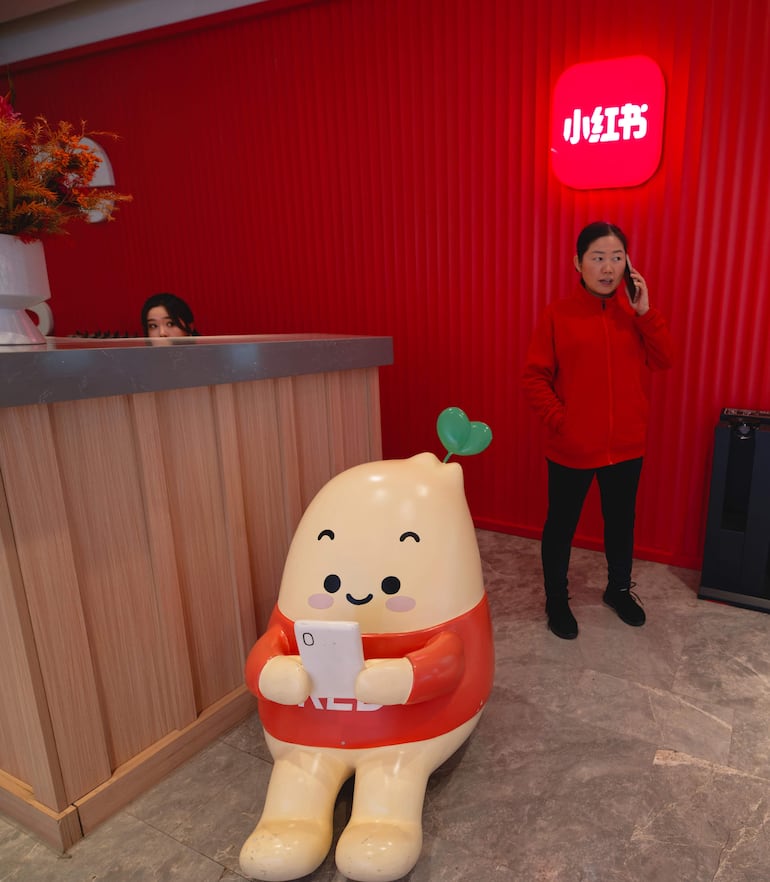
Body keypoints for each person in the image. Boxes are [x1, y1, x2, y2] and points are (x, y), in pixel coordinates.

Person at [521, 222, 673, 640]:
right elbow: (534, 378)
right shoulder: (558, 315)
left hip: (626, 446)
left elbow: (664, 360)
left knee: (621, 523)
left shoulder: (635, 316)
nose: (608, 268)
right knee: (561, 527)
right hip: (571, 446)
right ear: (578, 262)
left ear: (628, 264)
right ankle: (557, 601)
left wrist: (645, 313)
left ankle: (619, 591)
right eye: (598, 258)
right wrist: (562, 421)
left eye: (617, 258)